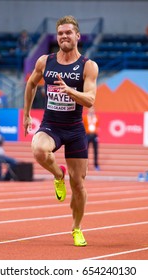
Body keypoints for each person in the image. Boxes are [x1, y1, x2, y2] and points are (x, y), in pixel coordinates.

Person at [23, 15, 98, 246]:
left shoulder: (88, 66)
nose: (64, 36)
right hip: (51, 125)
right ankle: (58, 174)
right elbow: (31, 84)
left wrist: (70, 91)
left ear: (77, 36)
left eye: (68, 33)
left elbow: (90, 100)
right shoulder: (45, 61)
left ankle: (76, 228)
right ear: (57, 37)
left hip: (75, 129)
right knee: (37, 149)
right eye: (60, 33)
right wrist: (26, 114)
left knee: (78, 185)